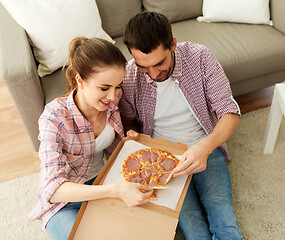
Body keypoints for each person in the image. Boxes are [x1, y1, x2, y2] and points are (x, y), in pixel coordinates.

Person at [120, 12, 243, 240]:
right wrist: (130, 131)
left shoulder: (200, 57)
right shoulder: (129, 75)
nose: (153, 74)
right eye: (144, 67)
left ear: (173, 44)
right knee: (192, 226)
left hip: (206, 146)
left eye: (159, 64)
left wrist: (204, 148)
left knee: (224, 220)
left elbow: (230, 113)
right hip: (161, 157)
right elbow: (127, 119)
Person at [28, 37, 154, 240]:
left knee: (149, 228)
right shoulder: (54, 117)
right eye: (104, 88)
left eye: (118, 86)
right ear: (81, 80)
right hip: (65, 203)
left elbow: (126, 130)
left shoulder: (112, 102)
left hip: (104, 184)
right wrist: (115, 190)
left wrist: (130, 136)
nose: (113, 97)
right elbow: (54, 189)